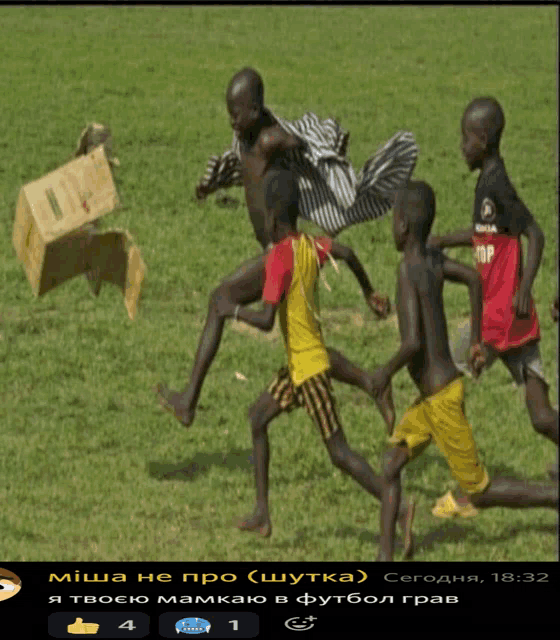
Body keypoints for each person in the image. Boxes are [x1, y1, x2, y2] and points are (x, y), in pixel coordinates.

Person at [156, 67, 416, 428]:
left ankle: (188, 401)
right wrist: (214, 185)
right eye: (228, 111)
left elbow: (303, 143)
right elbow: (244, 171)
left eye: (237, 112)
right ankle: (371, 382)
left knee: (220, 301)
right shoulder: (246, 139)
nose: (231, 120)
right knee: (305, 344)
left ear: (257, 108)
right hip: (283, 250)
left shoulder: (269, 139)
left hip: (279, 252)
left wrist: (328, 150)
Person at [217, 167, 415, 552]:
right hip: (298, 366)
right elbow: (348, 252)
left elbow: (265, 319)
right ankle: (262, 512)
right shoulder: (310, 244)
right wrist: (368, 290)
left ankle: (402, 507)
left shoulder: (278, 259)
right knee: (257, 418)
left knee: (340, 454)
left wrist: (231, 310)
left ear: (270, 217)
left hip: (309, 371)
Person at [371, 181, 558, 562]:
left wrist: (382, 374)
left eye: (393, 219)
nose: (391, 227)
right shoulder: (433, 260)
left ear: (403, 225)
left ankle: (554, 498)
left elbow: (411, 344)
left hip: (441, 401)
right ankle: (385, 557)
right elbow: (473, 278)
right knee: (391, 466)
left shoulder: (408, 270)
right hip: (432, 399)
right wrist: (475, 338)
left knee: (479, 491)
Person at [428, 97, 558, 479]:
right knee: (541, 416)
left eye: (465, 138)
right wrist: (444, 241)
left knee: (441, 378)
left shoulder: (498, 183)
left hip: (501, 315)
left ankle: (416, 461)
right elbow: (486, 233)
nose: (460, 146)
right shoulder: (488, 180)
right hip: (509, 318)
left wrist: (524, 287)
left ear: (482, 140)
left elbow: (534, 233)